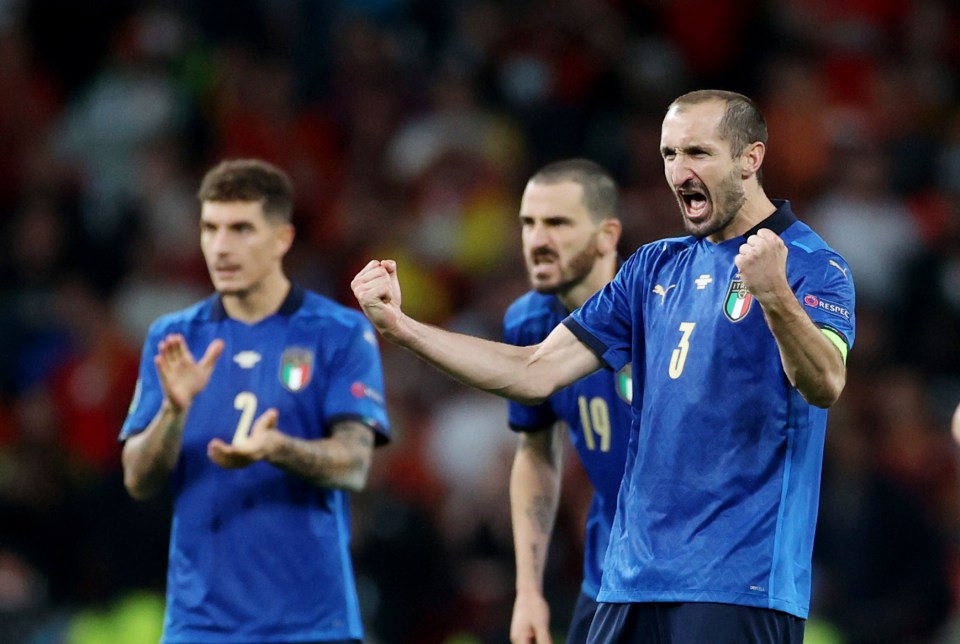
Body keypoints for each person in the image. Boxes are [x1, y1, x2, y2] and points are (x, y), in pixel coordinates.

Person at [352, 89, 855, 643]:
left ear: (750, 158)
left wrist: (777, 298)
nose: (679, 172)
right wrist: (402, 329)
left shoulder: (812, 264)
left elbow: (825, 382)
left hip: (737, 583)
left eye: (698, 153)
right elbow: (534, 369)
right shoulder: (653, 266)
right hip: (629, 582)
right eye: (668, 155)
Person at [121, 158, 390, 643]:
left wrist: (275, 448)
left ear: (282, 239)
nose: (221, 247)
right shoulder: (174, 338)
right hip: (199, 624)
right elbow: (137, 479)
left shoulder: (340, 333)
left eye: (241, 229)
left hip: (311, 623)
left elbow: (354, 465)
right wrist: (172, 412)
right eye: (210, 228)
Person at [504, 159, 633, 644]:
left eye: (557, 223)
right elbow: (535, 450)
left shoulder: (658, 311)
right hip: (606, 576)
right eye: (528, 223)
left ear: (607, 235)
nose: (537, 240)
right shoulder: (529, 322)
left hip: (691, 576)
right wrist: (528, 591)